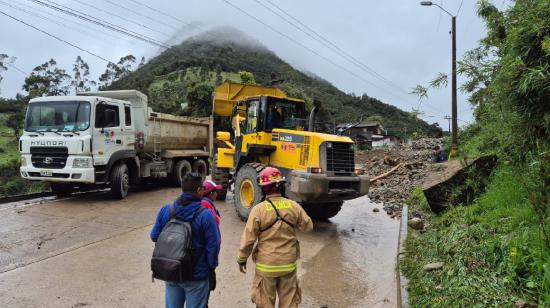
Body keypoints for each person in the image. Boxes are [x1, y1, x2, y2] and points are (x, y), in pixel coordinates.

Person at [237, 167, 313, 308]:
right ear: (281, 185)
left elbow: (248, 240)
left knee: (265, 303)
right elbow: (308, 227)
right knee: (289, 303)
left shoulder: (258, 210)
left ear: (264, 188)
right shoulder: (293, 206)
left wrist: (242, 259)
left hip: (266, 266)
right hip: (288, 264)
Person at [150, 173, 221, 308]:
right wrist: (210, 268)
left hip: (172, 271)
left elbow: (154, 236)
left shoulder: (167, 210)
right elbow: (214, 246)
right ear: (199, 190)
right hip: (197, 276)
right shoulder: (205, 215)